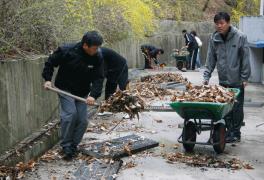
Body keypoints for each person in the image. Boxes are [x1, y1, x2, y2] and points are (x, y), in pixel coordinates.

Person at [42, 31, 104, 160]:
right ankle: (66, 146)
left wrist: (93, 95)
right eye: (94, 48)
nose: (96, 50)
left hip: (82, 92)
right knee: (70, 114)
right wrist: (47, 79)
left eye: (98, 47)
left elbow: (99, 77)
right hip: (64, 88)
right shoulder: (66, 51)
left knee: (82, 120)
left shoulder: (97, 56)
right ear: (85, 45)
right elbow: (50, 63)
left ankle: (73, 146)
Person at [203, 12, 251, 143]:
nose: (219, 26)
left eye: (222, 23)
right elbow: (210, 58)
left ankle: (236, 133)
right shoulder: (214, 38)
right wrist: (206, 76)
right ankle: (228, 131)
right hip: (223, 79)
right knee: (225, 107)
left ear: (228, 23)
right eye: (217, 23)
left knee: (236, 107)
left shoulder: (240, 37)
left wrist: (245, 78)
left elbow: (245, 58)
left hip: (237, 80)